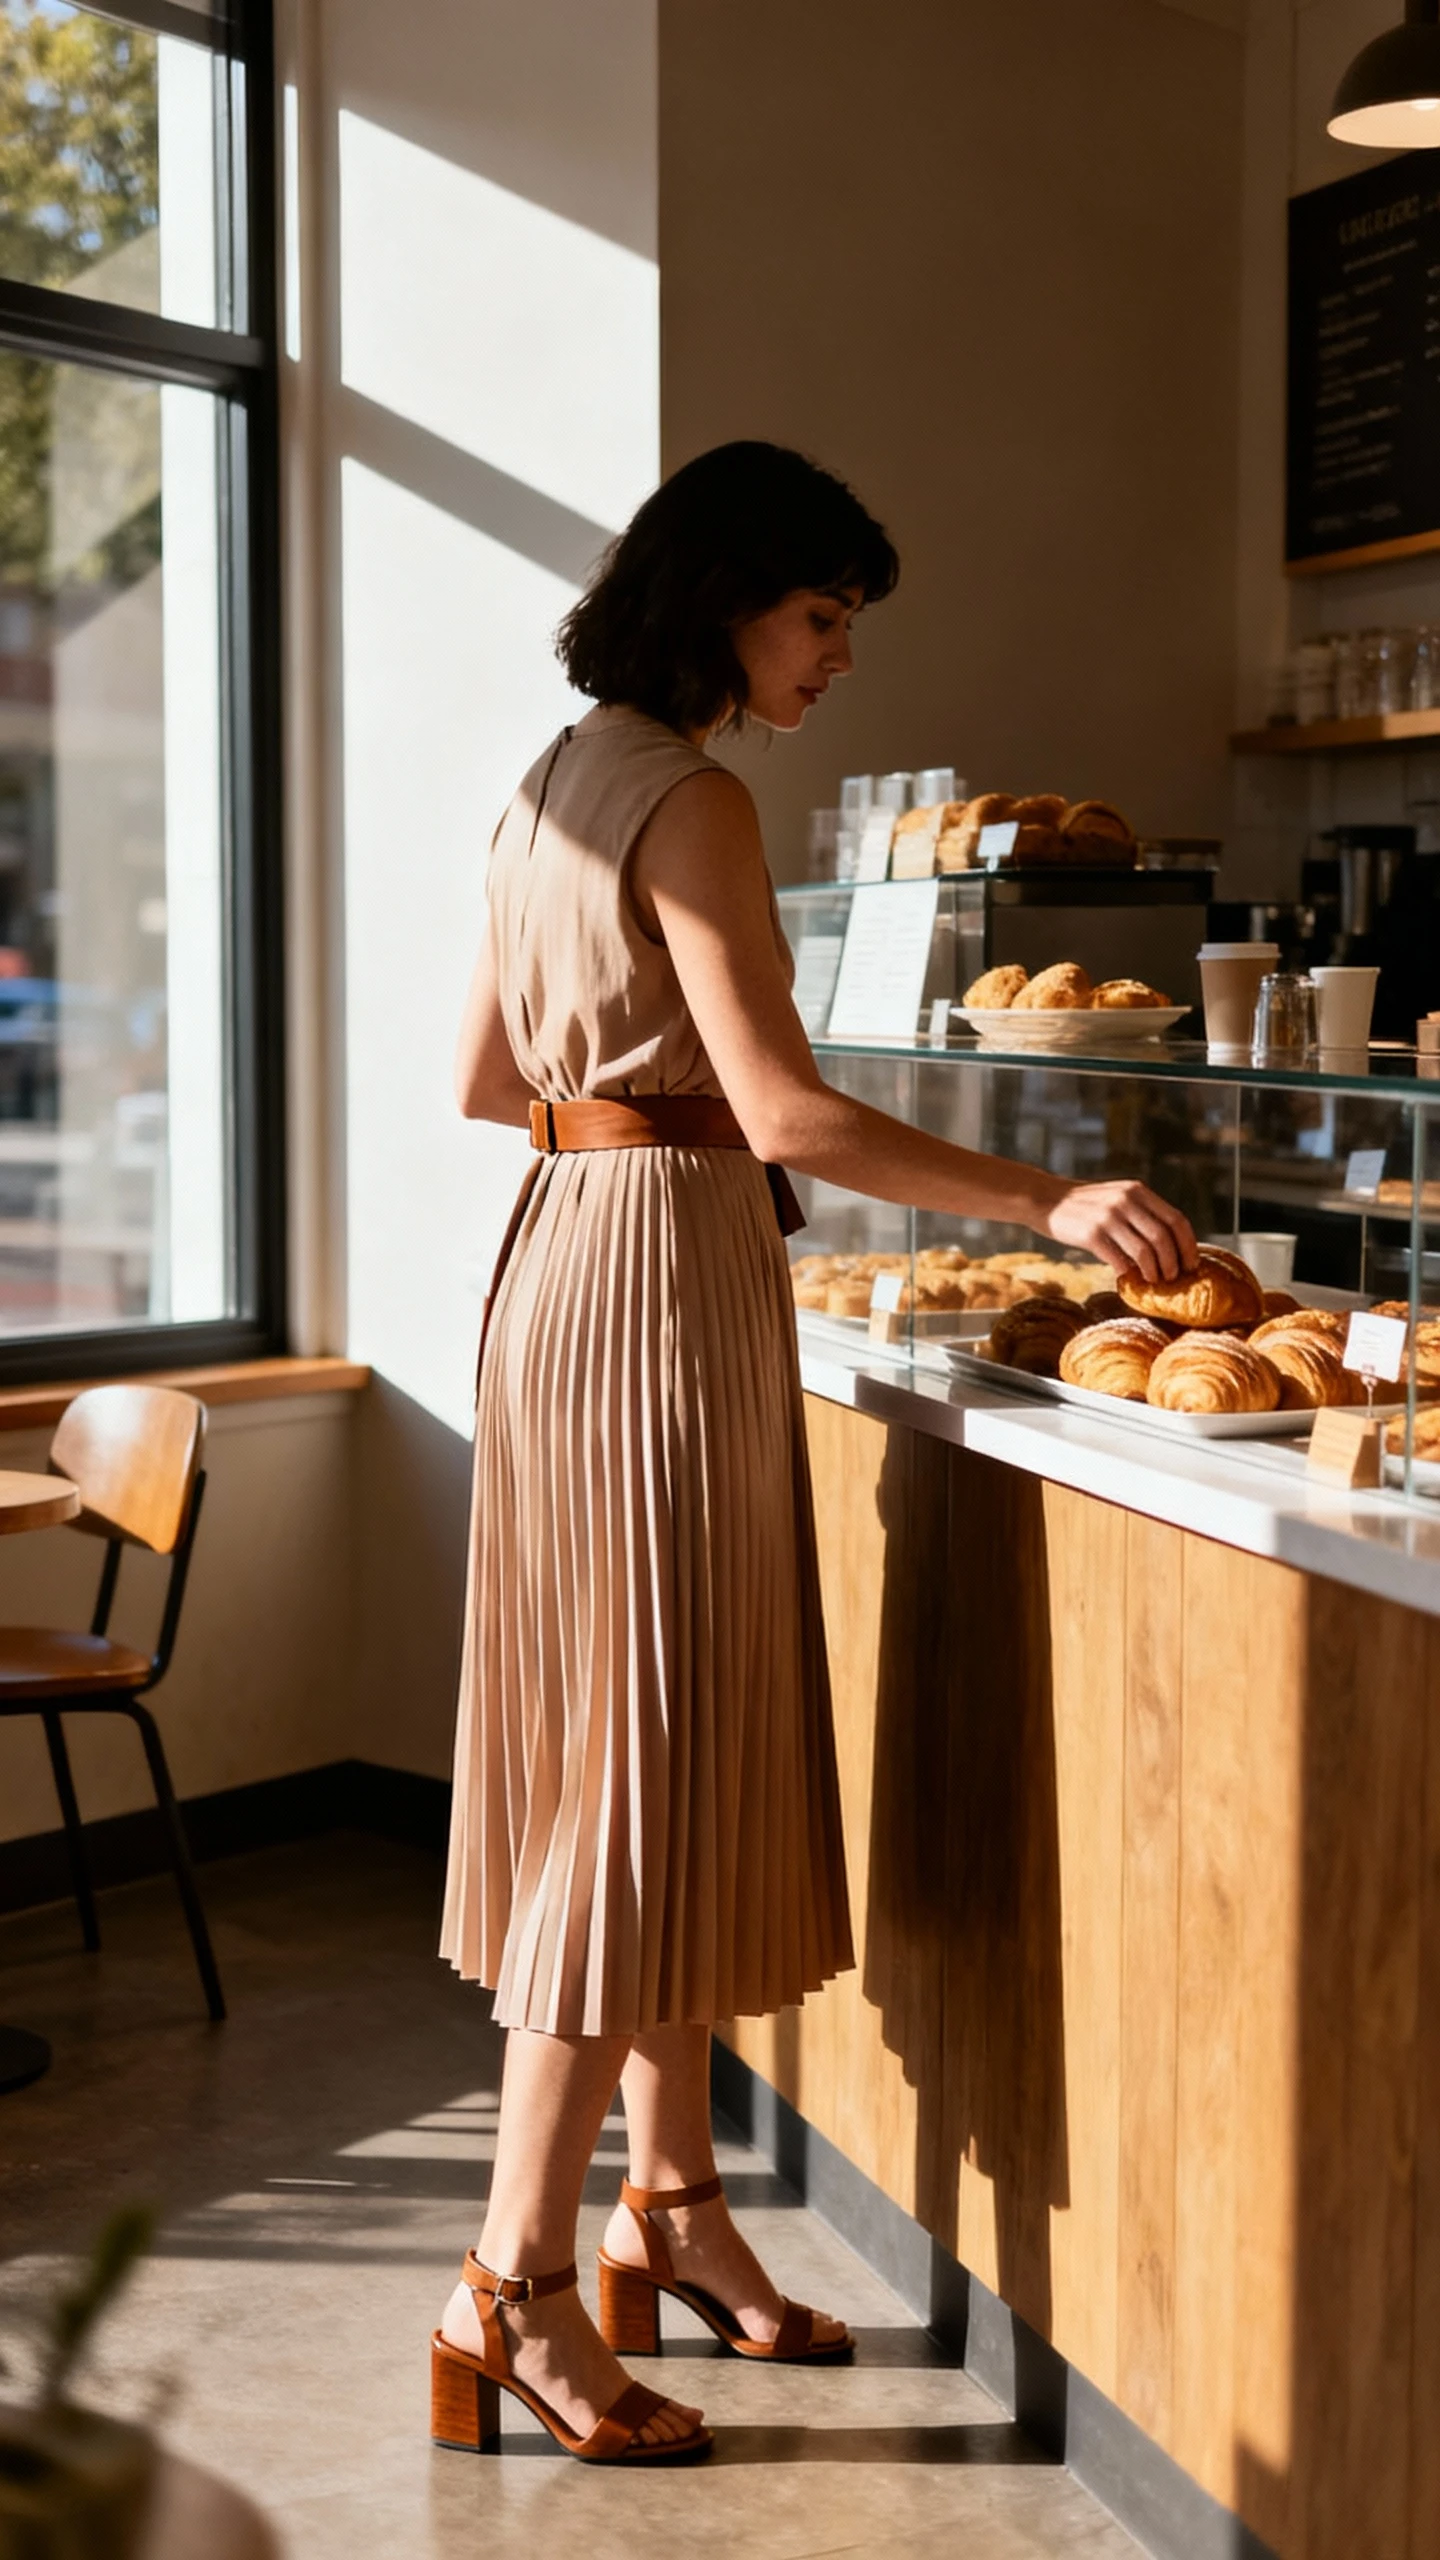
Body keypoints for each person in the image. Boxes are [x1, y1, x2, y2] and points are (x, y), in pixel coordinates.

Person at [431, 441, 1196, 2466]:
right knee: (630, 1780)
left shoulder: (555, 780)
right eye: (819, 616)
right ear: (725, 603)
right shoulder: (691, 793)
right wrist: (1036, 1204)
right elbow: (782, 1110)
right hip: (664, 1283)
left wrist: (632, 1121)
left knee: (646, 1758)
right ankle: (503, 2280)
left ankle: (668, 2196)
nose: (840, 657)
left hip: (566, 1264)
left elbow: (489, 1076)